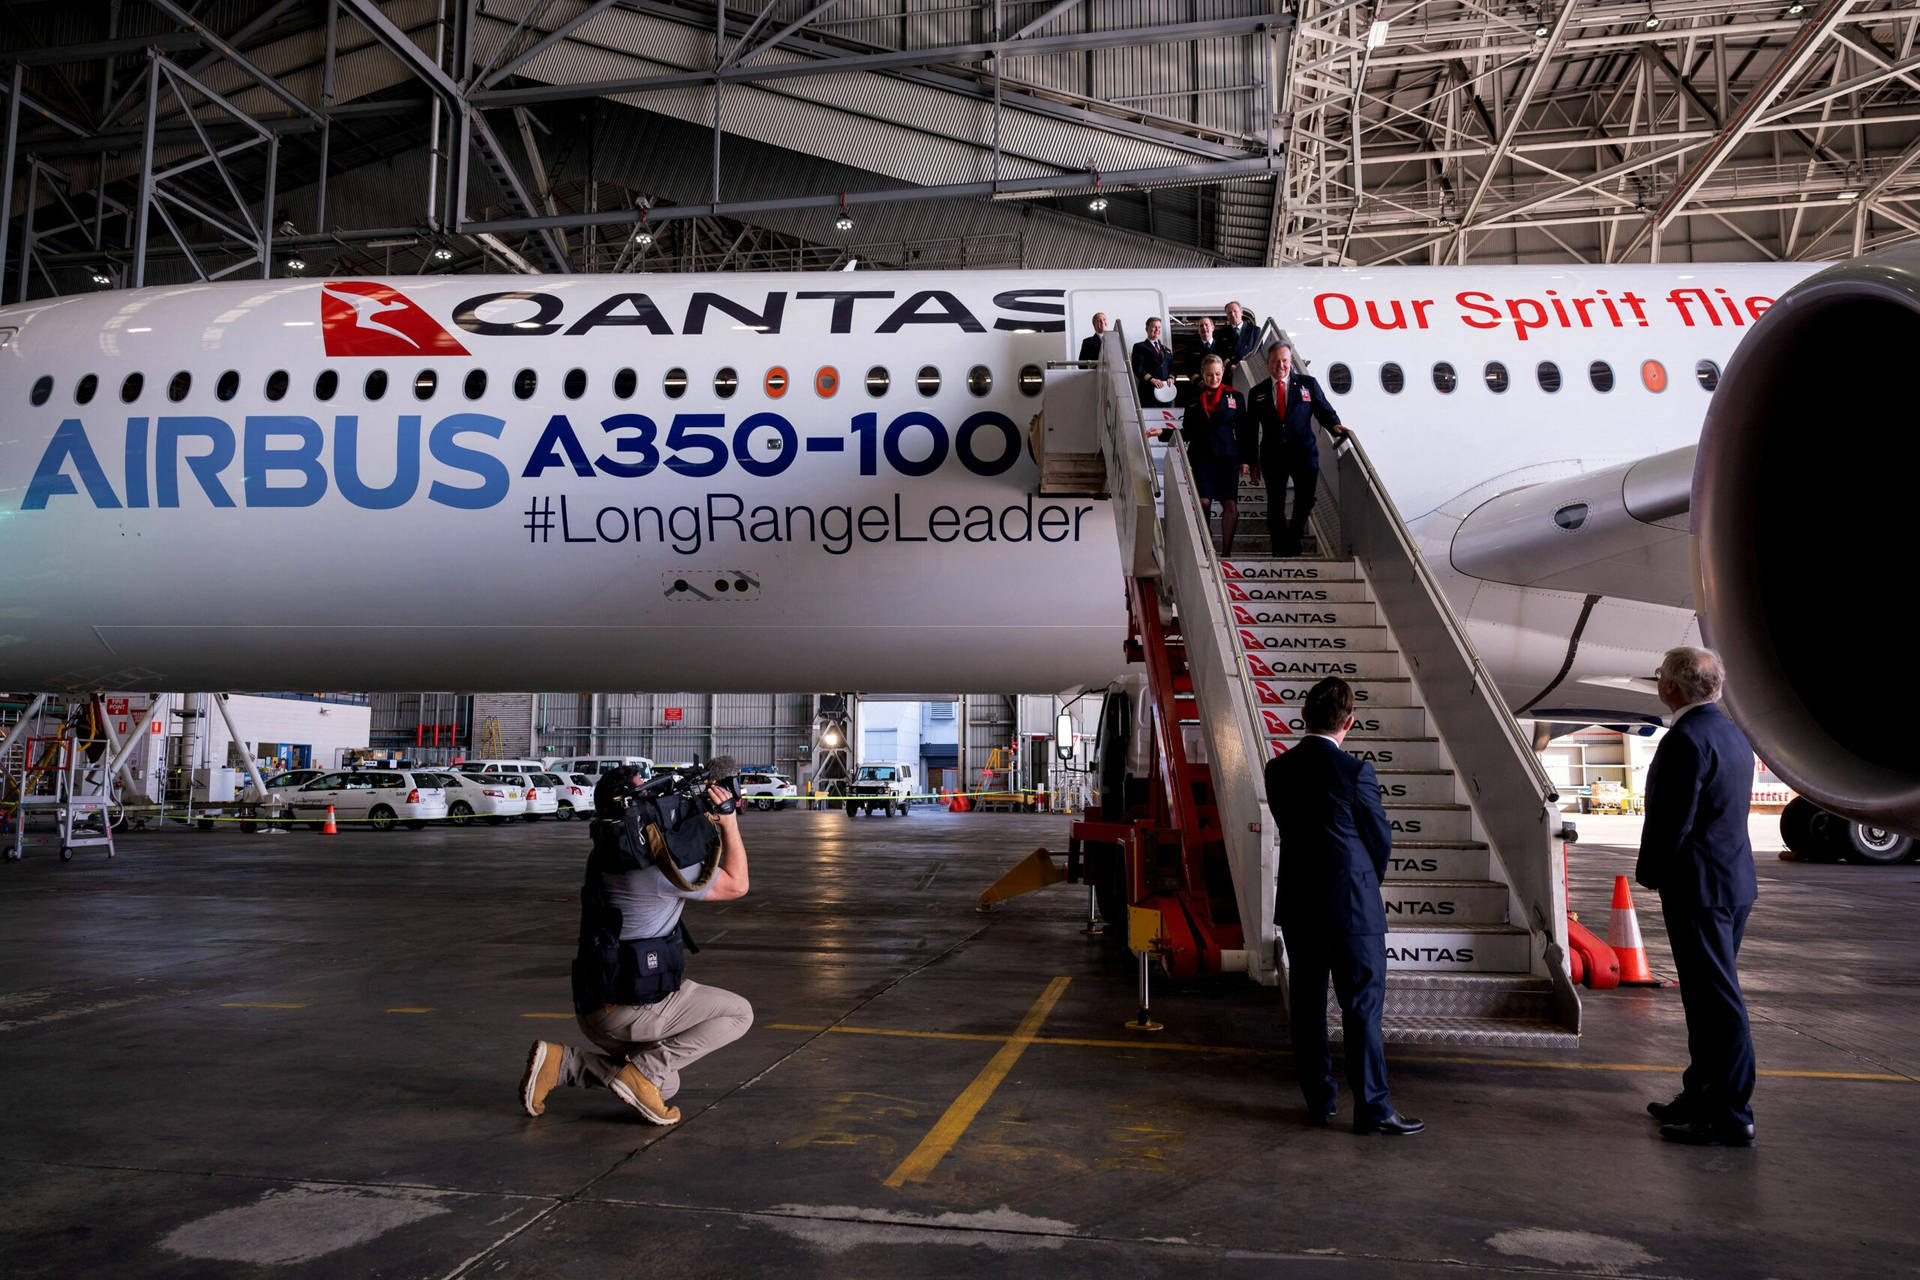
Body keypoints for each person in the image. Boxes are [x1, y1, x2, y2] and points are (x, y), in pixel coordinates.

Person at [519, 767, 753, 1124]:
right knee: (739, 1013)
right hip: (632, 1009)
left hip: (597, 1006)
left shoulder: (610, 850)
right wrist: (728, 822)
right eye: (651, 794)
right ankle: (640, 1074)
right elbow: (737, 884)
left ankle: (564, 1063)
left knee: (667, 1083)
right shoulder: (657, 868)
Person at [1264, 677, 1423, 1137]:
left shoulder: (1278, 770)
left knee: (1308, 1008)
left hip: (1299, 907)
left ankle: (1320, 1101)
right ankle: (1372, 1108)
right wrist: (1363, 883)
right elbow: (1379, 840)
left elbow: (1290, 827)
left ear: (1303, 718)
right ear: (1348, 723)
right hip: (1353, 910)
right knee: (1361, 1009)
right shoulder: (1357, 773)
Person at [1636, 646, 1759, 1148]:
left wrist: (1650, 873)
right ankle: (1701, 1092)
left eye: (1660, 676)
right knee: (1706, 999)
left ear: (1670, 687)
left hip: (1701, 889)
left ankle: (1731, 1114)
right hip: (1732, 883)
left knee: (1718, 1003)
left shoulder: (1685, 739)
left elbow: (1673, 820)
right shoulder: (1730, 733)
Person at [1249, 341, 1344, 556]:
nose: (1280, 366)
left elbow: (1323, 409)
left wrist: (1335, 425)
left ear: (1291, 362)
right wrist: (1251, 461)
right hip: (1273, 454)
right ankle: (1280, 548)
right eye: (1275, 361)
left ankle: (1293, 536)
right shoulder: (1258, 392)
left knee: (1306, 498)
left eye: (1284, 361)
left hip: (1303, 452)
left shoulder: (1307, 384)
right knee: (1275, 502)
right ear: (1268, 363)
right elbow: (1250, 429)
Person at [1162, 355, 1249, 555]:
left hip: (1228, 458)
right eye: (1209, 375)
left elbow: (1244, 430)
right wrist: (1163, 433)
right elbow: (1188, 431)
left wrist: (1246, 459)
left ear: (1223, 373)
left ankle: (1226, 552)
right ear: (1203, 374)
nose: (1214, 378)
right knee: (1203, 502)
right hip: (1201, 458)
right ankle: (1207, 545)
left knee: (1230, 504)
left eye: (1218, 374)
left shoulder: (1235, 397)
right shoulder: (1193, 400)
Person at [1183, 316, 1236, 403]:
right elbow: (1188, 369)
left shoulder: (1223, 345)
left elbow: (1228, 364)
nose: (1204, 328)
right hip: (1201, 389)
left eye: (1206, 325)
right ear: (1198, 330)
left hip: (1222, 388)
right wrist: (1199, 381)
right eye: (1201, 326)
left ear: (1213, 327)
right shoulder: (1191, 348)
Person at [1131, 316, 1175, 404]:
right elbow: (1138, 368)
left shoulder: (1167, 350)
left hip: (1166, 393)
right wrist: (1151, 379)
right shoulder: (1139, 347)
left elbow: (1172, 368)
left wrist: (1171, 378)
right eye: (1154, 327)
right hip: (1148, 392)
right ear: (1147, 329)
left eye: (1159, 327)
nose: (1157, 329)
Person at [1223, 300, 1260, 373]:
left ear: (1241, 312)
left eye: (1235, 311)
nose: (1232, 314)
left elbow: (1259, 352)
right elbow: (1220, 353)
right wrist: (1230, 365)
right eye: (1229, 313)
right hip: (1230, 372)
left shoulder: (1254, 330)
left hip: (1249, 370)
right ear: (1227, 316)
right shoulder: (1222, 333)